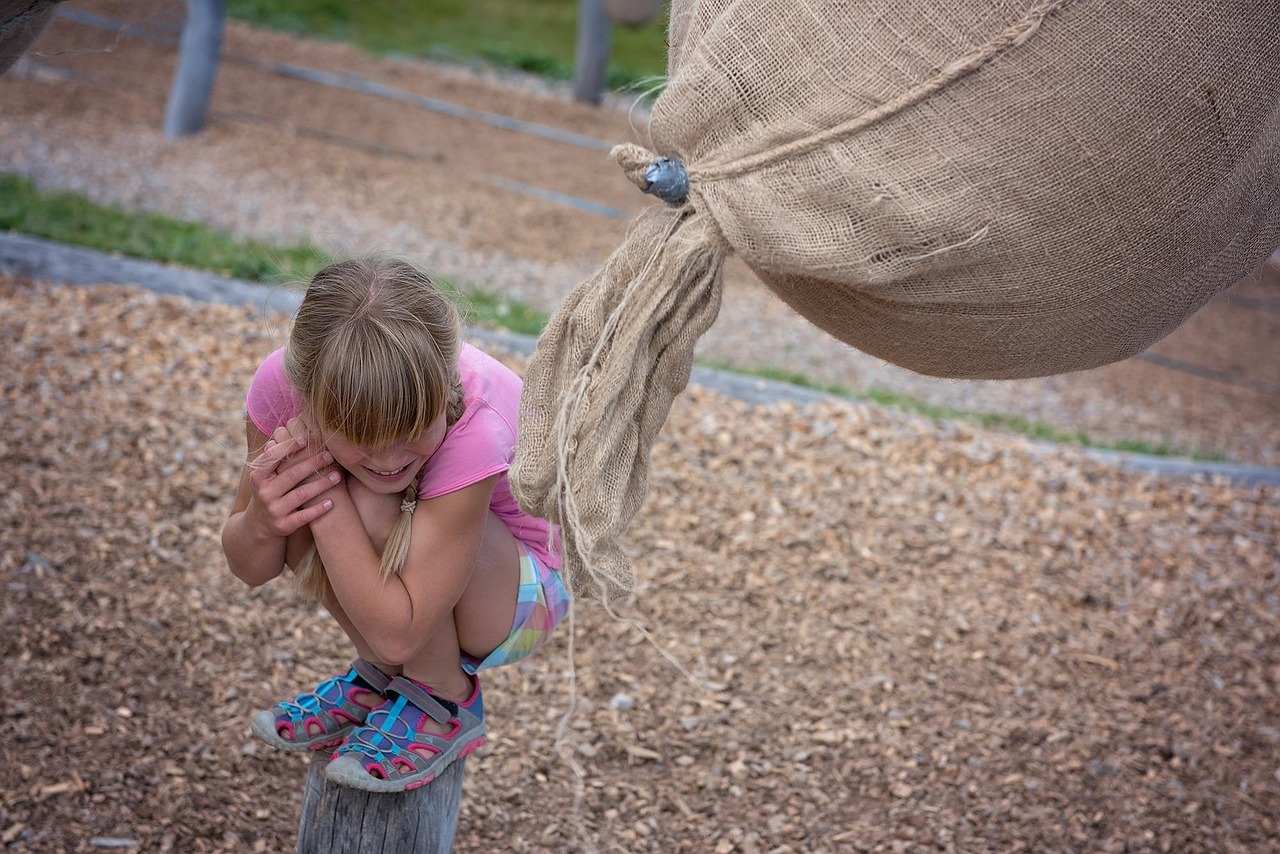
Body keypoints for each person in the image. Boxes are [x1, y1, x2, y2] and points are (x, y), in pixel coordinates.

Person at [221, 255, 569, 793]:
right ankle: (383, 679)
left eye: (413, 429)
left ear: (443, 395)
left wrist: (325, 487)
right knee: (297, 493)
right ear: (308, 398)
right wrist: (265, 521)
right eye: (360, 435)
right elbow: (249, 567)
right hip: (415, 598)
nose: (388, 458)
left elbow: (398, 635)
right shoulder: (281, 386)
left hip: (520, 596)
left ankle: (442, 697)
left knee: (356, 497)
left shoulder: (475, 420)